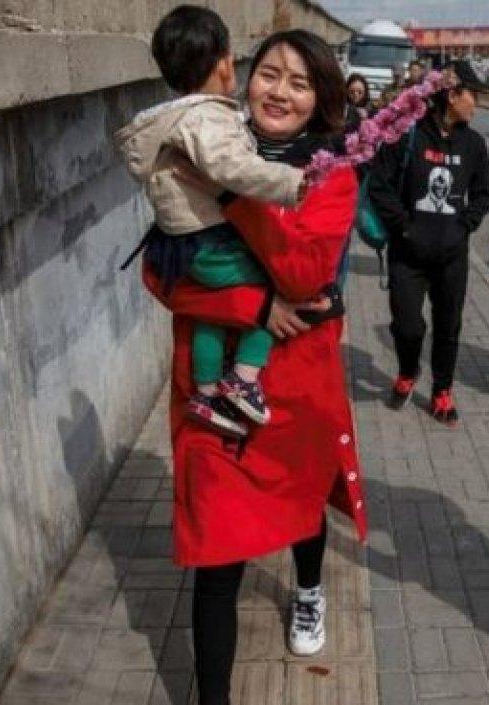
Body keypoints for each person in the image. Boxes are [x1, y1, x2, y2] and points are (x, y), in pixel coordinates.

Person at [141, 30, 366, 705]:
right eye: (270, 74)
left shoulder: (331, 171)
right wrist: (255, 305)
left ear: (320, 98)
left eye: (300, 83)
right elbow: (161, 271)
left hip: (293, 386)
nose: (280, 91)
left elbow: (308, 271)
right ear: (242, 76)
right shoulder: (204, 143)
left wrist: (236, 194)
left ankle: (308, 588)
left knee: (303, 504)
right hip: (211, 394)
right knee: (215, 550)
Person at [116, 6, 308, 439]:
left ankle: (204, 393)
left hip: (183, 242)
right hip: (210, 240)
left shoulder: (174, 117)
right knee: (267, 288)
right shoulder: (206, 117)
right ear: (224, 62)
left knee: (213, 315)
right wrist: (294, 182)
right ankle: (243, 379)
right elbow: (232, 168)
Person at [369, 59, 489, 426]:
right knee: (407, 326)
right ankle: (408, 372)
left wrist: (464, 226)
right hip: (407, 255)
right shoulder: (407, 135)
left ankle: (442, 390)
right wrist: (405, 227)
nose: (477, 103)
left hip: (451, 257)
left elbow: (484, 193)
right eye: (474, 95)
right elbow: (379, 185)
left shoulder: (474, 144)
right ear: (453, 95)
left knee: (448, 326)